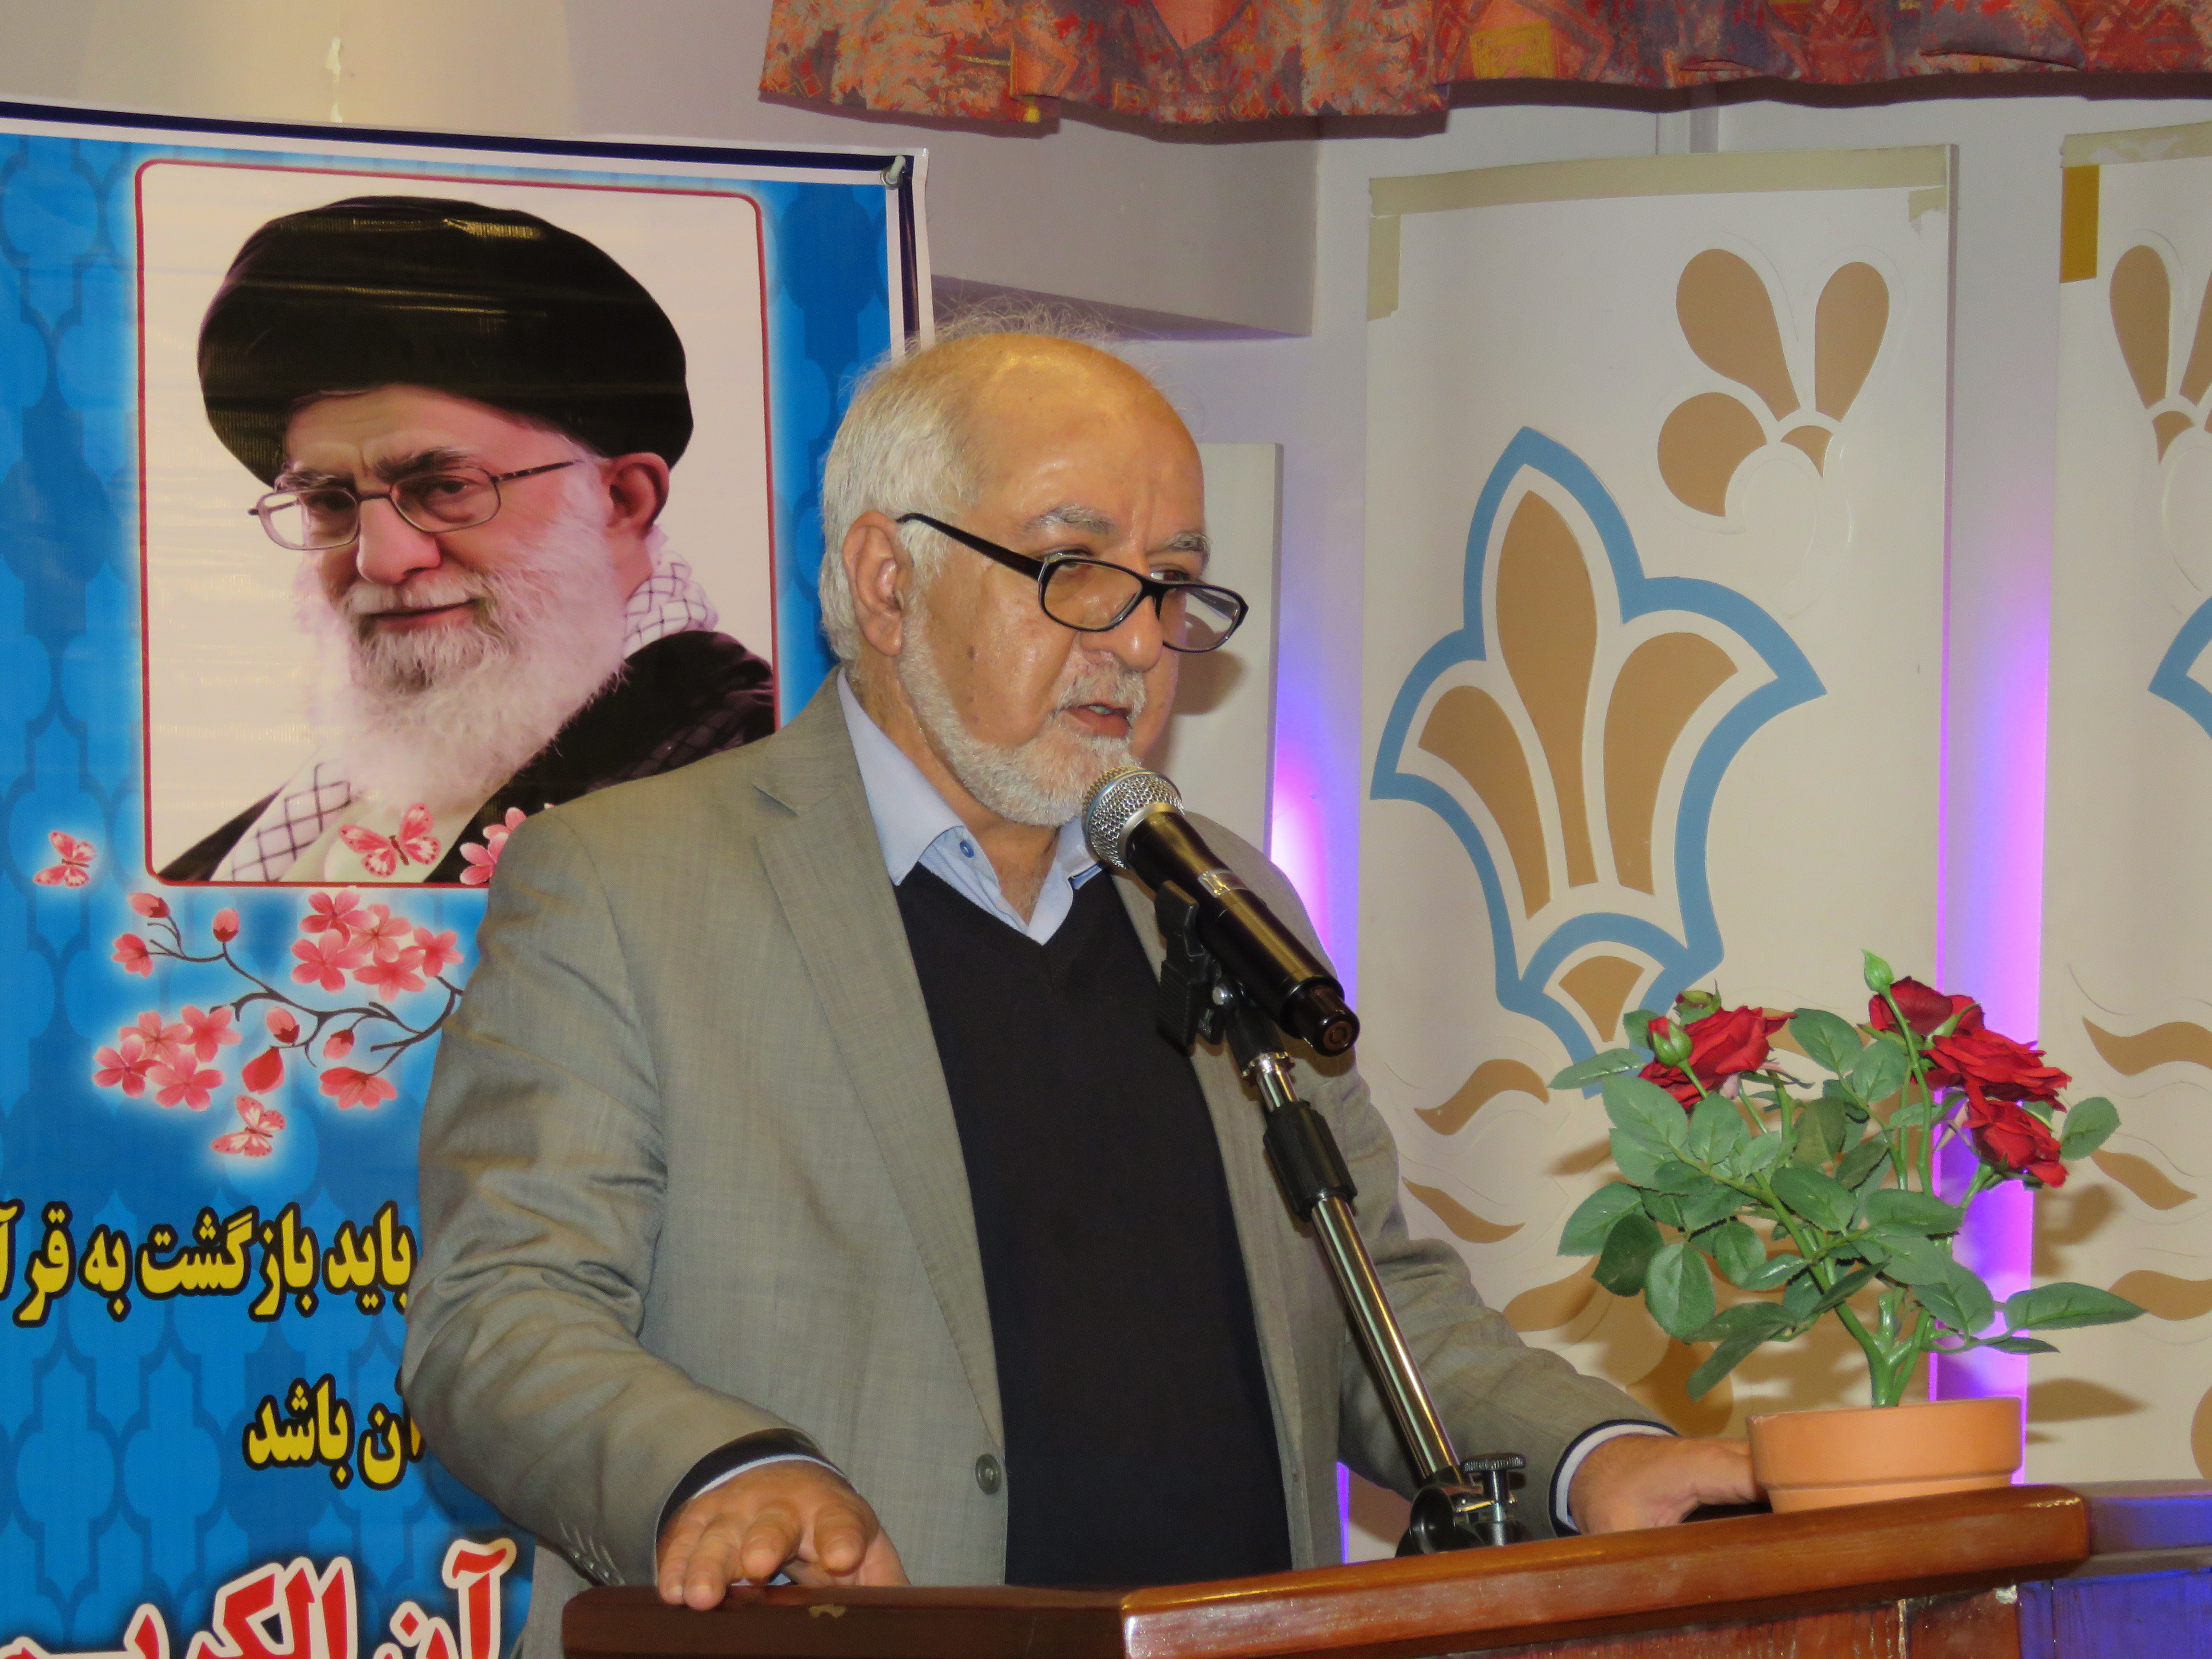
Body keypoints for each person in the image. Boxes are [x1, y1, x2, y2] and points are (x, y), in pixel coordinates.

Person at [403, 328, 1757, 1659]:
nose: (1141, 640)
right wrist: (724, 1474)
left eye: (1172, 584)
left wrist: (1595, 1457)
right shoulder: (630, 884)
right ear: (888, 580)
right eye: (1076, 569)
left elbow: (1366, 1303)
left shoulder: (1219, 900)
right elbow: (499, 1317)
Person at [160, 195, 776, 885]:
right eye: (329, 502)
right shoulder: (303, 816)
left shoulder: (750, 773)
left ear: (620, 501)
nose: (382, 560)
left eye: (445, 487)